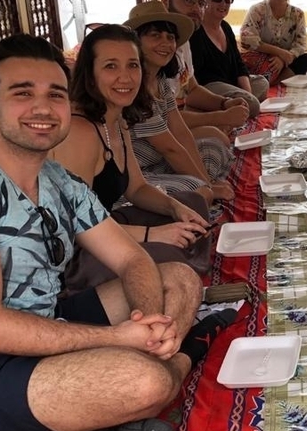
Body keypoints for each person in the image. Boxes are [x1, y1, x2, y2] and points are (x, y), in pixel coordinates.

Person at [0, 34, 231, 431]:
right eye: (22, 93)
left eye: (55, 94)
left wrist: (151, 319)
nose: (42, 108)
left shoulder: (58, 182)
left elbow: (129, 258)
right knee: (145, 381)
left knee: (177, 277)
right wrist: (122, 341)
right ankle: (184, 355)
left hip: (48, 319)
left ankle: (144, 372)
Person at [51, 24, 213, 291]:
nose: (125, 78)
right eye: (111, 67)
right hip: (77, 256)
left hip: (109, 226)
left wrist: (175, 208)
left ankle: (188, 282)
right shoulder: (80, 132)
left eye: (132, 66)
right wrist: (152, 235)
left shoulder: (116, 120)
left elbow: (136, 188)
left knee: (193, 202)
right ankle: (181, 287)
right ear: (90, 74)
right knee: (168, 260)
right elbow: (75, 227)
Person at [125, 1, 235, 204]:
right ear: (135, 42)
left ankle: (200, 186)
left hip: (161, 164)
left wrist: (207, 180)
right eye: (155, 35)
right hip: (138, 177)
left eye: (170, 37)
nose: (166, 43)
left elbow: (181, 133)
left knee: (214, 147)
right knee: (198, 192)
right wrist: (206, 185)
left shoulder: (160, 83)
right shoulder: (133, 89)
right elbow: (170, 148)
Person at [160, 0, 264, 125]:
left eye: (200, 3)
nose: (196, 8)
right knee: (245, 108)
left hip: (207, 96)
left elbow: (192, 87)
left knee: (261, 83)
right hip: (208, 88)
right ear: (165, 1)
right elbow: (162, 120)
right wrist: (221, 117)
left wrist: (225, 103)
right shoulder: (158, 47)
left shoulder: (184, 40)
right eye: (188, 0)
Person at [189, 0, 276, 109]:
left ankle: (234, 105)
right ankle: (223, 107)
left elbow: (239, 65)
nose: (223, 4)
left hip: (230, 84)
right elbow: (199, 76)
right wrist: (247, 97)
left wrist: (247, 92)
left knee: (262, 82)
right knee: (252, 104)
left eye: (228, 0)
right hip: (209, 87)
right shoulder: (196, 31)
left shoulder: (225, 27)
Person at [239, 0, 307, 85]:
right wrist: (279, 52)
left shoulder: (297, 14)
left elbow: (301, 44)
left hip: (284, 62)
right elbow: (248, 39)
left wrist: (283, 59)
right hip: (261, 58)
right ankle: (271, 79)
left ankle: (272, 81)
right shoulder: (257, 10)